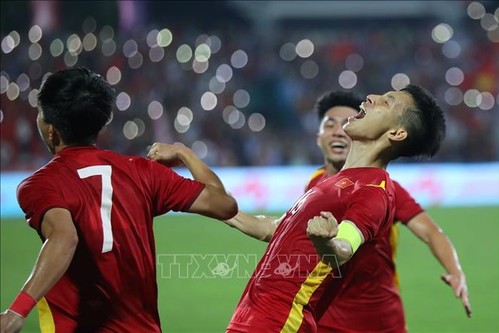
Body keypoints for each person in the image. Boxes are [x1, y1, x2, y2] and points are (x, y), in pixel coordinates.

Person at [0, 67, 238, 333]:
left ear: (52, 131)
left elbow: (64, 238)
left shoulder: (41, 184)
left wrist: (16, 312)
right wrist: (183, 153)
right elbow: (224, 204)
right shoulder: (143, 172)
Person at [226, 91, 470, 332]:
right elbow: (282, 229)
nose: (372, 96)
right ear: (318, 137)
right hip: (321, 317)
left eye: (387, 101)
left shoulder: (381, 192)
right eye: (329, 124)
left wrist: (456, 271)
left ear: (395, 132)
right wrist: (210, 204)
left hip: (376, 321)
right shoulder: (318, 184)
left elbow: (428, 232)